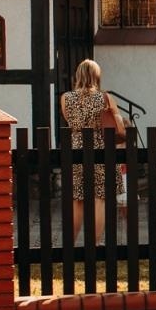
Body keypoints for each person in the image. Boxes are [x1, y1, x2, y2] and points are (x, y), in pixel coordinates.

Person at [60, 58, 129, 243]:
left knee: (78, 199)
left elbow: (70, 122)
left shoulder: (66, 98)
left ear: (78, 75)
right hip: (101, 151)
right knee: (99, 198)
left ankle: (71, 242)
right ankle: (95, 243)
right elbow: (119, 124)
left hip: (76, 150)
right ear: (96, 76)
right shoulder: (105, 98)